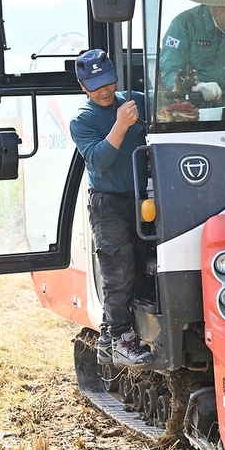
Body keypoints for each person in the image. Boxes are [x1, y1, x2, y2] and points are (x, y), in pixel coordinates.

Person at [69, 49, 154, 369]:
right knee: (117, 271)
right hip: (107, 203)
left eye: (108, 82)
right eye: (95, 85)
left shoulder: (136, 100)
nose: (104, 91)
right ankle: (120, 337)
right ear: (83, 87)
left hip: (143, 199)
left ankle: (108, 338)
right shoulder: (83, 120)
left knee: (142, 268)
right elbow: (99, 160)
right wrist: (120, 125)